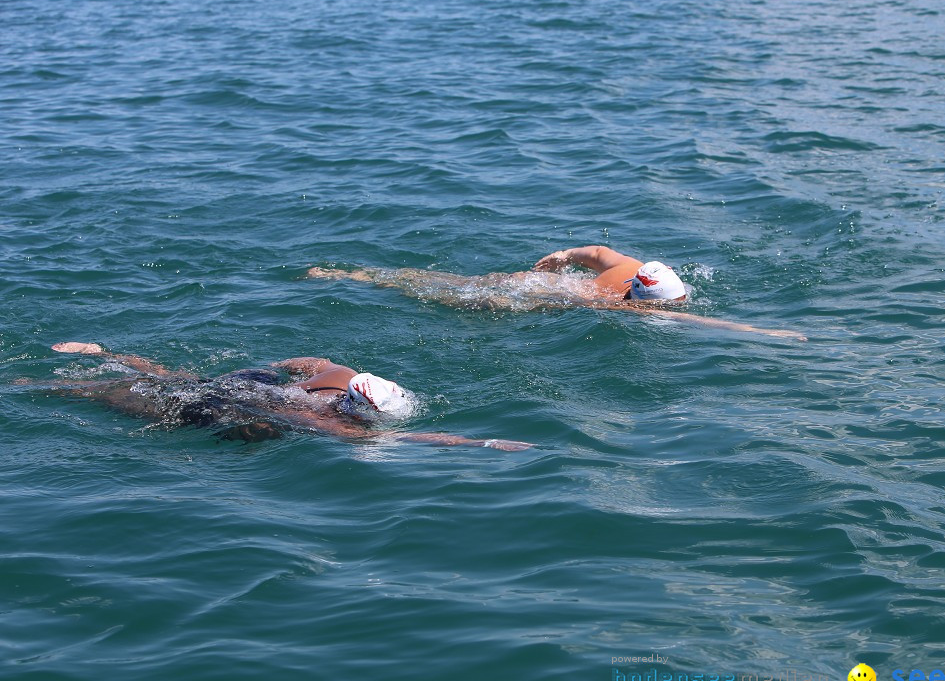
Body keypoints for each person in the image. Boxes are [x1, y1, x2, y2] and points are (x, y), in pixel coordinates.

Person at [39, 342, 532, 450]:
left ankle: (106, 353)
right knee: (161, 397)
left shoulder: (338, 375)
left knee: (176, 376)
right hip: (240, 399)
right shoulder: (334, 423)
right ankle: (34, 385)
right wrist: (484, 445)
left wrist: (277, 370)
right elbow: (420, 439)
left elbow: (309, 360)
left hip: (259, 380)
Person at [308, 245, 805, 340]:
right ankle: (348, 277)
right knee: (452, 296)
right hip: (533, 295)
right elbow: (697, 323)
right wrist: (761, 331)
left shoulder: (629, 268)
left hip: (543, 281)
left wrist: (564, 255)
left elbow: (598, 250)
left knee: (457, 285)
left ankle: (355, 274)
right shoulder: (616, 305)